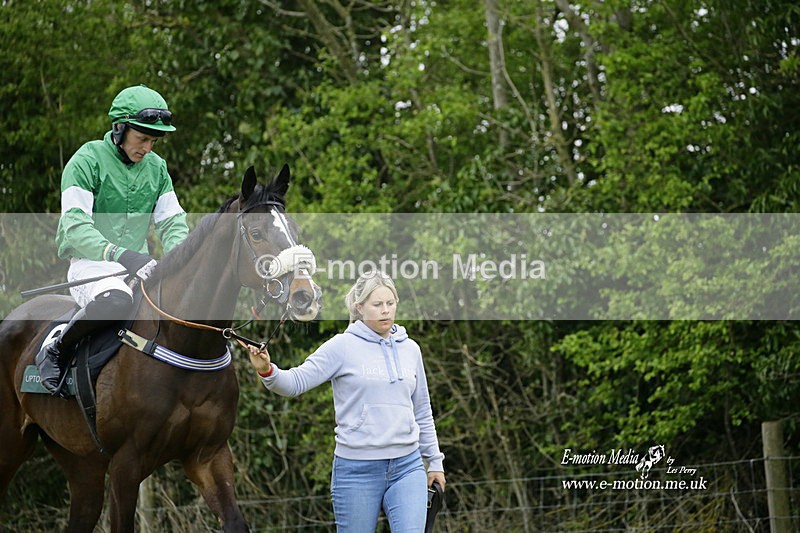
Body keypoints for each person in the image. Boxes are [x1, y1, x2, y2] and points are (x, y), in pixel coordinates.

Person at [246, 271, 446, 532]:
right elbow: (294, 383)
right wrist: (267, 370)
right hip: (357, 471)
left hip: (408, 467)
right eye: (377, 305)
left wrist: (435, 461)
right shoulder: (341, 347)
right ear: (359, 307)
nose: (385, 311)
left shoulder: (411, 349)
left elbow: (422, 410)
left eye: (390, 303)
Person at [35, 84, 189, 396]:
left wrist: (180, 260)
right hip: (91, 266)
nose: (148, 148)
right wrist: (119, 254)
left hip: (139, 267)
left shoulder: (157, 169)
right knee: (117, 299)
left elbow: (173, 222)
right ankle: (55, 349)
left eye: (153, 141)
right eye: (142, 139)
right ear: (119, 129)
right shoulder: (87, 160)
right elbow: (75, 227)